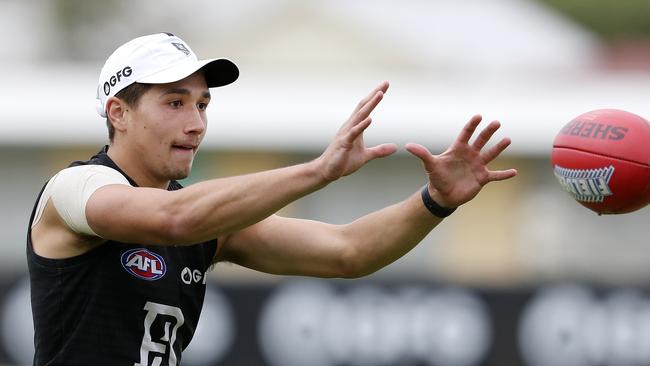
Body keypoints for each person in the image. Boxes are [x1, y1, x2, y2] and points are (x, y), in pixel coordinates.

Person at [26, 32, 517, 365]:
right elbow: (172, 220)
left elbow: (349, 252)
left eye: (202, 104)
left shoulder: (206, 223)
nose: (195, 123)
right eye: (174, 102)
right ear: (118, 113)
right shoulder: (76, 188)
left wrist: (435, 200)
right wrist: (318, 172)